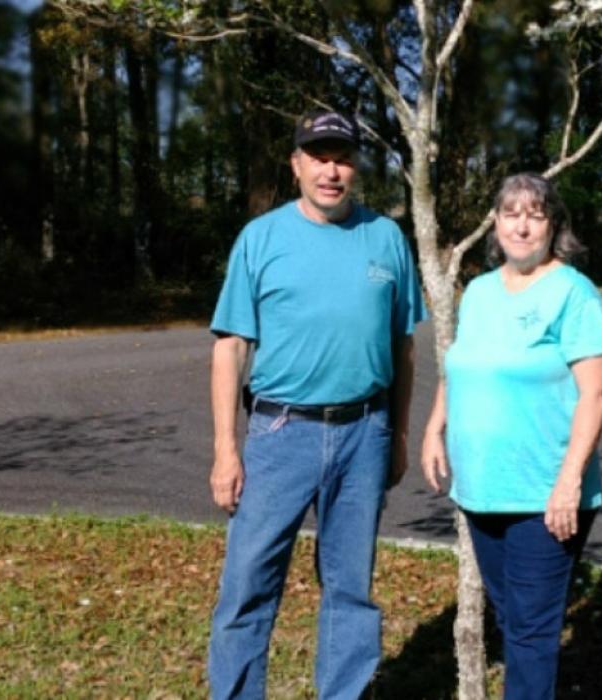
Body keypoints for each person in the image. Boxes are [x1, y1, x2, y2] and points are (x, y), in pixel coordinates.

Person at [207, 109, 427, 700]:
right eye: (319, 156)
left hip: (365, 432)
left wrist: (399, 435)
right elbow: (230, 348)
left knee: (350, 587)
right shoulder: (262, 239)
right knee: (249, 584)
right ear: (297, 164)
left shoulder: (386, 237)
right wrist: (227, 451)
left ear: (356, 167)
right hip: (281, 434)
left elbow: (402, 346)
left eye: (343, 157)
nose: (331, 170)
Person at [421, 173, 602, 699]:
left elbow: (597, 393)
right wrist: (434, 427)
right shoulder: (481, 291)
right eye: (511, 213)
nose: (522, 225)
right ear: (496, 223)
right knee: (513, 621)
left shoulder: (573, 292)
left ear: (554, 225)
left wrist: (569, 482)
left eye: (535, 214)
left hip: (544, 495)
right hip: (483, 488)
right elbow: (460, 366)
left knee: (530, 633)